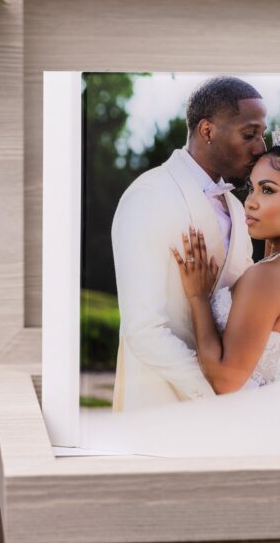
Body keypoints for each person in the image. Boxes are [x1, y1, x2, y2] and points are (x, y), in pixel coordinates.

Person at [111, 77, 267, 412]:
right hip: (161, 411)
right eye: (249, 134)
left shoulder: (239, 210)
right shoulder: (148, 196)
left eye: (262, 134)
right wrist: (219, 397)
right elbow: (144, 331)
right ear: (207, 131)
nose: (261, 148)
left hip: (227, 416)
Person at [171, 117, 280, 393]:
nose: (250, 201)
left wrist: (198, 298)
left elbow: (225, 380)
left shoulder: (268, 276)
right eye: (252, 188)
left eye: (267, 190)